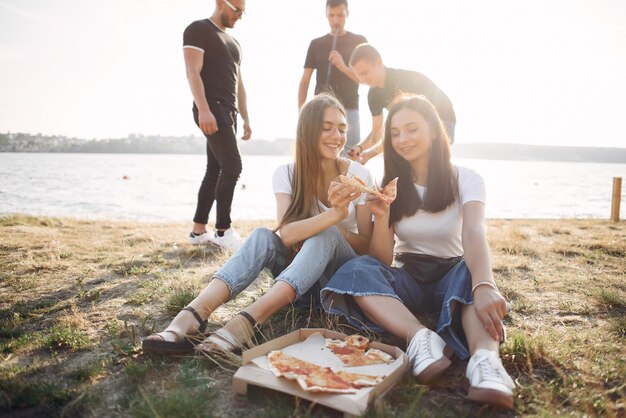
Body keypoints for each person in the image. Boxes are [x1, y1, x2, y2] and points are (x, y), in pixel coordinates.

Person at [321, 95, 514, 409]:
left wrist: (484, 285)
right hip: (409, 277)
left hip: (453, 275)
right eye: (395, 133)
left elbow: (474, 232)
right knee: (358, 269)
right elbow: (382, 259)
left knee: (470, 270)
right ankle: (420, 337)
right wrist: (382, 216)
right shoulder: (391, 184)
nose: (402, 139)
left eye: (411, 129)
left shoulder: (466, 178)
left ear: (435, 131)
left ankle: (486, 362)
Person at [143, 94, 374, 355]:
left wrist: (335, 225)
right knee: (263, 235)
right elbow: (286, 234)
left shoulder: (360, 175)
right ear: (308, 130)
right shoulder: (287, 173)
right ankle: (192, 316)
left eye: (342, 129)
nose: (337, 136)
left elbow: (368, 247)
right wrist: (334, 213)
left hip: (335, 282)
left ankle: (246, 322)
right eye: (327, 127)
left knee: (326, 233)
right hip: (298, 286)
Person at [184, 0, 252, 251]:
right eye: (237, 10)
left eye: (243, 12)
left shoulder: (235, 43)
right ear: (221, 3)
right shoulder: (198, 29)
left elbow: (239, 85)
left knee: (214, 170)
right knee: (233, 165)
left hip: (230, 112)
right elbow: (192, 71)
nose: (240, 16)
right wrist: (203, 109)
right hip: (211, 106)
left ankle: (198, 231)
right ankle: (223, 231)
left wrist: (245, 118)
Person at [347, 44, 456, 165]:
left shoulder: (403, 81)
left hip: (443, 117)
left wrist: (371, 153)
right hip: (414, 124)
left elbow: (405, 128)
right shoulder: (373, 95)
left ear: (378, 62)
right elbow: (376, 131)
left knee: (430, 161)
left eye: (365, 73)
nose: (362, 80)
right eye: (358, 75)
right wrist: (360, 149)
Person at [298, 0, 367, 153]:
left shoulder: (359, 41)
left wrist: (343, 66)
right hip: (320, 110)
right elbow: (304, 82)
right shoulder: (316, 44)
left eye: (340, 15)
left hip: (349, 110)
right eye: (331, 16)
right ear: (326, 15)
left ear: (347, 14)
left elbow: (366, 80)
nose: (335, 20)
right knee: (319, 157)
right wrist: (301, 114)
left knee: (350, 160)